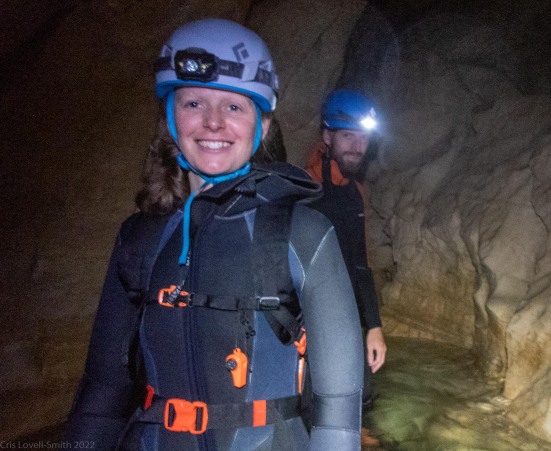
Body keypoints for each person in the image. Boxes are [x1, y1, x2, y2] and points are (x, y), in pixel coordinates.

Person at [64, 18, 363, 450]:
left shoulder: (303, 234)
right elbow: (102, 394)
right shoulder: (138, 239)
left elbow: (338, 412)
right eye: (193, 104)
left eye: (235, 107)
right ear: (170, 118)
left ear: (262, 126)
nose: (213, 123)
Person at [305, 89, 386, 410]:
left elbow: (360, 263)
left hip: (345, 316)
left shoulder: (355, 192)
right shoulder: (301, 187)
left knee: (358, 403)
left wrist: (374, 326)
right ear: (327, 136)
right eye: (348, 136)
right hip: (304, 321)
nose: (357, 146)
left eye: (363, 138)